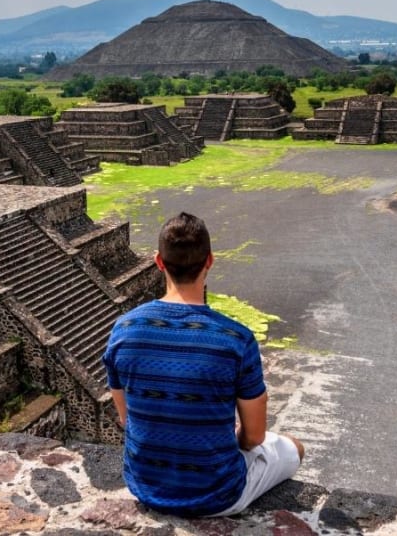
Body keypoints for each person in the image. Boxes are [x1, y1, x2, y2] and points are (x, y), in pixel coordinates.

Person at [103, 212, 304, 518]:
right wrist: (230, 437)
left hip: (145, 485)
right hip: (217, 495)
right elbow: (254, 437)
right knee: (294, 448)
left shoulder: (124, 329)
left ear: (158, 261)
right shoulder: (235, 339)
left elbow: (126, 419)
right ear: (210, 261)